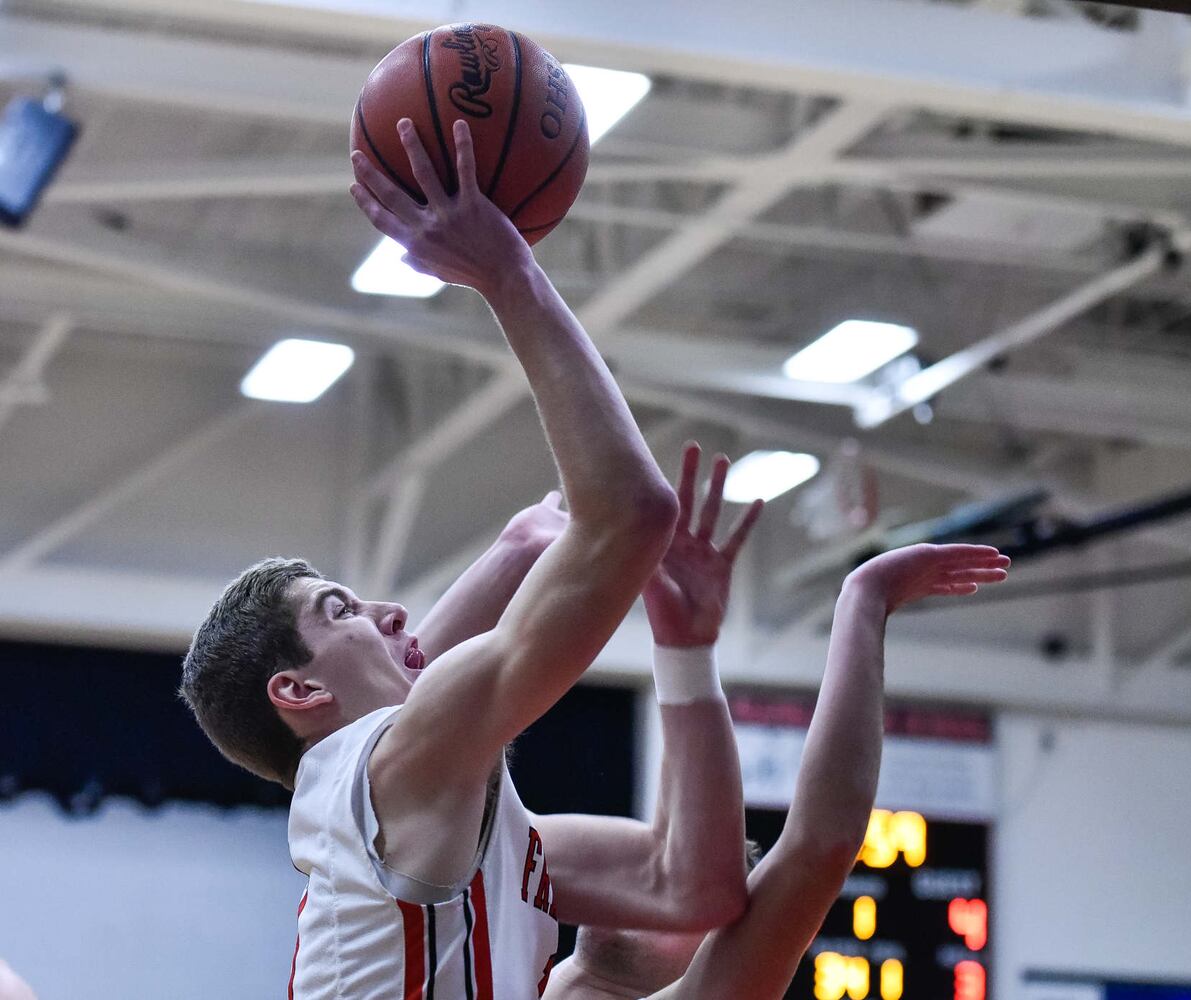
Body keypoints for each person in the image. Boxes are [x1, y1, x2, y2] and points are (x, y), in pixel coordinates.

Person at [180, 119, 747, 999]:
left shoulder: (440, 801)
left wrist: (684, 648)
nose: (391, 612)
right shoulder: (392, 767)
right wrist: (504, 271)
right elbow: (632, 514)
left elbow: (692, 885)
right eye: (342, 609)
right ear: (297, 691)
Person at [544, 543, 1011, 1000]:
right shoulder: (503, 946)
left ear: (731, 945)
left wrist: (863, 601)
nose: (656, 883)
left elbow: (820, 845)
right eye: (660, 865)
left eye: (688, 879)